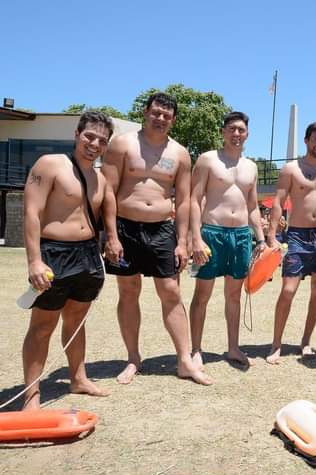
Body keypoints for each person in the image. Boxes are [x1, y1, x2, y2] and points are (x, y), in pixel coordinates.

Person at [102, 92, 210, 385]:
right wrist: (111, 236)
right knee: (128, 291)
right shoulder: (122, 144)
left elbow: (184, 200)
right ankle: (133, 358)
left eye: (167, 116)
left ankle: (184, 360)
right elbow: (107, 192)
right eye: (156, 113)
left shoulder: (180, 153)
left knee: (171, 292)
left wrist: (183, 242)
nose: (160, 119)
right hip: (125, 227)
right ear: (145, 112)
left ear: (173, 120)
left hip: (162, 229)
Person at [21, 111, 113, 409]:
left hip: (87, 255)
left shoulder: (99, 178)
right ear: (76, 134)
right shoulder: (50, 164)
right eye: (89, 136)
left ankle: (78, 378)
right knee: (42, 325)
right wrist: (35, 261)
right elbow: (31, 213)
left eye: (102, 140)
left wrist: (112, 240)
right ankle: (31, 395)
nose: (94, 144)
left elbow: (106, 214)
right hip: (54, 253)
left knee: (76, 321)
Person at [188, 112, 265, 371]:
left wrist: (261, 239)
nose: (236, 134)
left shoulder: (251, 167)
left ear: (247, 134)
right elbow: (194, 199)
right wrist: (195, 237)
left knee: (234, 295)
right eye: (231, 129)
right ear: (223, 132)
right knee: (202, 294)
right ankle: (196, 349)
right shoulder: (208, 159)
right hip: (212, 233)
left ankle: (233, 347)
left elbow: (252, 206)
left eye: (241, 130)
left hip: (241, 236)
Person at [265, 121, 316, 364]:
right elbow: (278, 202)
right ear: (306, 140)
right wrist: (271, 236)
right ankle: (276, 344)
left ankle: (306, 341)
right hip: (298, 236)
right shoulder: (291, 169)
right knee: (288, 290)